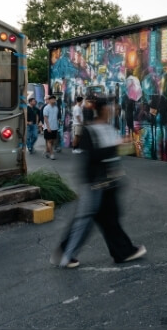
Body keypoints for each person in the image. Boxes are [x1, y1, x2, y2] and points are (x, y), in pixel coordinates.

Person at [54, 95, 146, 268]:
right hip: (94, 183)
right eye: (109, 107)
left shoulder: (109, 128)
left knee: (109, 218)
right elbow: (95, 156)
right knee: (85, 220)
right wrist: (117, 146)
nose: (113, 110)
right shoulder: (90, 130)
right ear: (102, 110)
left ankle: (123, 251)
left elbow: (112, 155)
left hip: (109, 182)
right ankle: (65, 255)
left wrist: (125, 149)